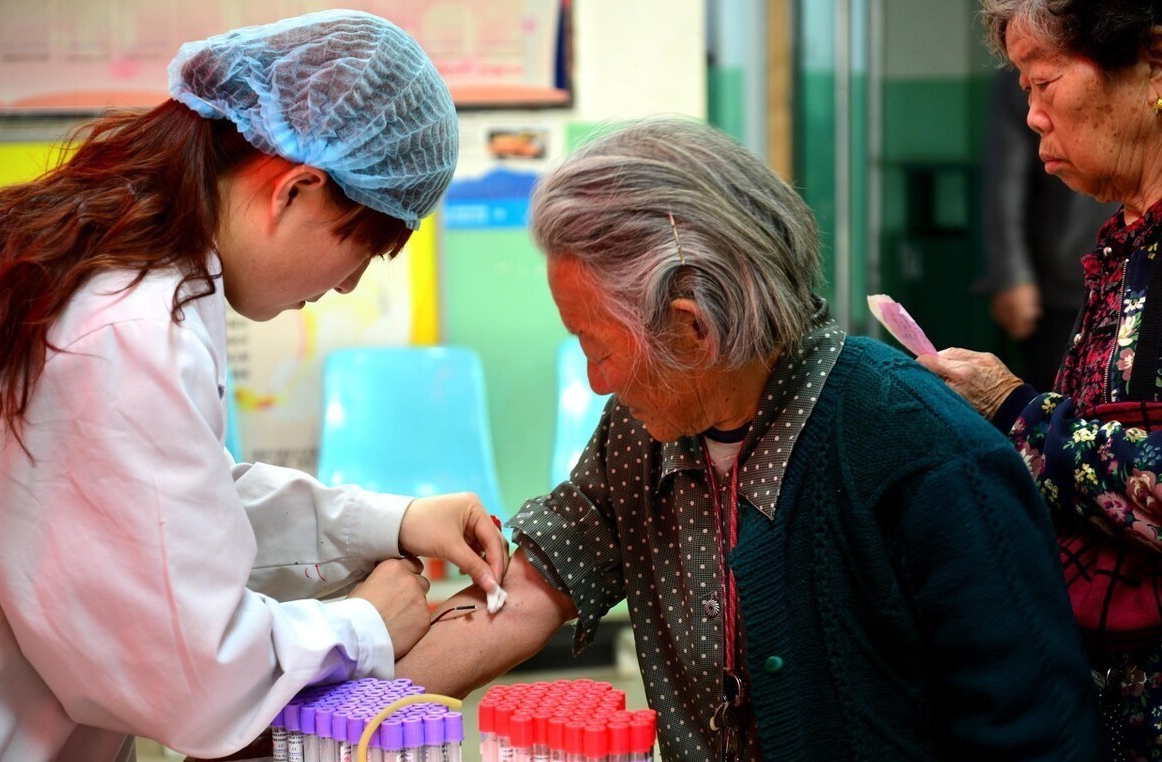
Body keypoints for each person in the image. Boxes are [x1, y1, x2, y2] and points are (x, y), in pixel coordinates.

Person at [395, 116, 1101, 760]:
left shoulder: (920, 452)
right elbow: (528, 590)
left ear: (693, 329)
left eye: (597, 346)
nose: (594, 381)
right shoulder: (642, 437)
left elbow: (1035, 733)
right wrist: (357, 701)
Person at [0, 10, 508, 762]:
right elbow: (195, 681)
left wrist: (393, 521)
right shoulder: (127, 327)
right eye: (360, 251)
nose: (348, 286)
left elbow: (172, 506)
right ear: (296, 190)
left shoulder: (112, 264)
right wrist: (365, 623)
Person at [921, 2, 1162, 758]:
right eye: (1023, 89)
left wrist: (1015, 409)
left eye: (1045, 83)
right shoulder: (1125, 246)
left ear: (1154, 64)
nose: (1031, 116)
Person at [980, 65, 1118, 391]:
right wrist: (1011, 274)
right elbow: (1005, 182)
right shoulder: (1023, 69)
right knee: (1056, 399)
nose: (1036, 116)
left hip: (1130, 266)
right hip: (1064, 277)